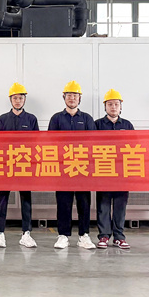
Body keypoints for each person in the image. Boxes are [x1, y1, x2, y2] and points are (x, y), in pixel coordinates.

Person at [47, 80, 97, 250]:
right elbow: (50, 143)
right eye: (69, 95)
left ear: (79, 98)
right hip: (63, 169)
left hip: (83, 168)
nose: (72, 98)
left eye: (75, 95)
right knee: (63, 203)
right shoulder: (56, 118)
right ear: (64, 97)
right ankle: (63, 235)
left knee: (84, 203)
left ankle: (84, 235)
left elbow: (94, 143)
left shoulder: (87, 119)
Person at [0, 82, 39, 249]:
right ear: (10, 100)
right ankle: (0, 233)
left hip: (24, 165)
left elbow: (36, 144)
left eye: (20, 98)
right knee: (2, 199)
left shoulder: (31, 119)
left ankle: (26, 233)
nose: (18, 101)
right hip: (6, 166)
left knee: (26, 199)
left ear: (24, 99)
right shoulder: (2, 119)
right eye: (15, 98)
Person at [95, 89, 134, 250]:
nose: (113, 107)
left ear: (121, 106)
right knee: (103, 205)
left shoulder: (127, 125)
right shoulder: (97, 125)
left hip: (122, 173)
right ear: (105, 106)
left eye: (116, 104)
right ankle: (104, 236)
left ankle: (119, 237)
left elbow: (134, 148)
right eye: (110, 104)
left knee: (120, 205)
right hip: (103, 171)